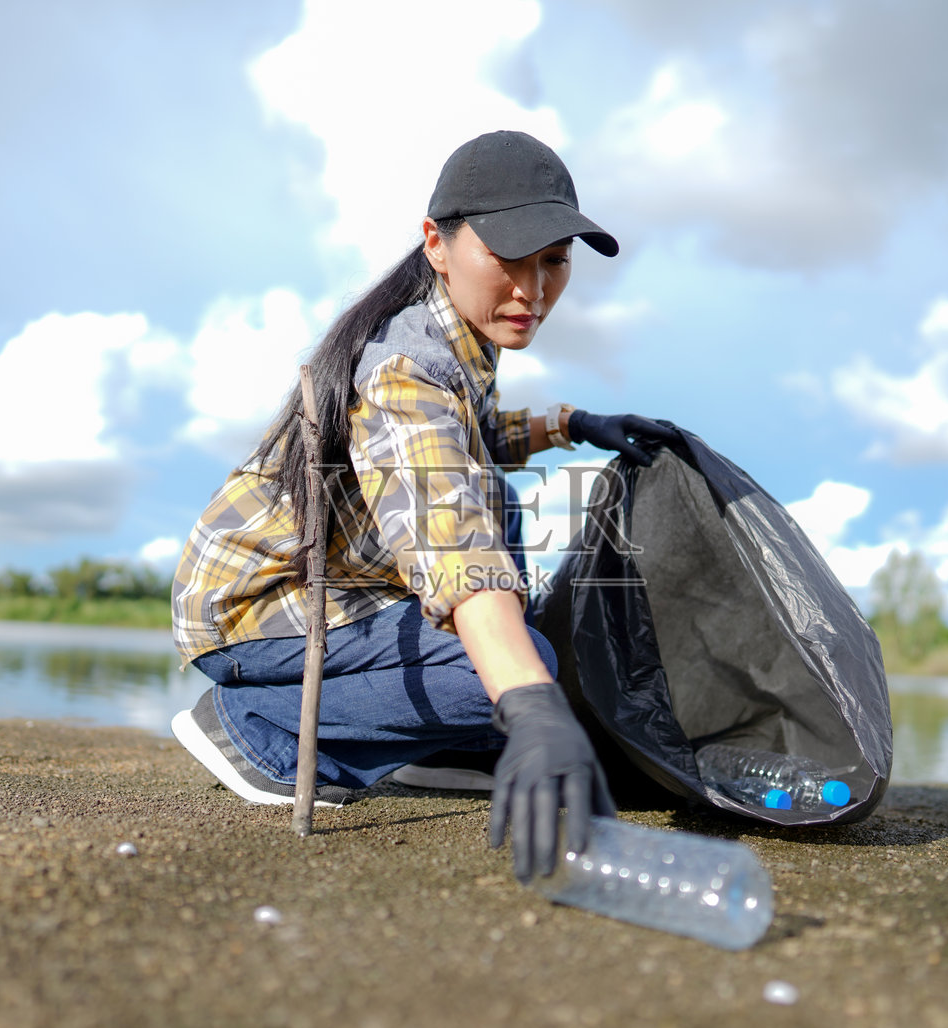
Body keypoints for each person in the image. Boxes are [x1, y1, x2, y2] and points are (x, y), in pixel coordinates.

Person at [170, 130, 676, 881]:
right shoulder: (405, 366)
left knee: (505, 588)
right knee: (512, 667)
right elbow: (454, 543)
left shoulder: (464, 331)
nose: (533, 290)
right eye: (510, 256)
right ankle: (256, 727)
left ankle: (426, 745)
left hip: (343, 590)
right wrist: (532, 704)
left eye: (554, 261)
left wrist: (573, 425)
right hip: (257, 610)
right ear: (437, 242)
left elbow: (466, 440)